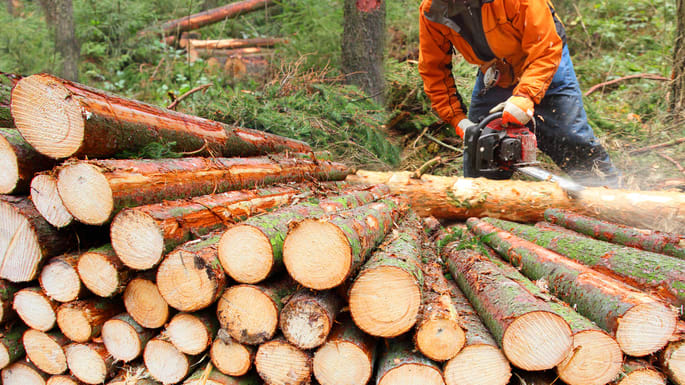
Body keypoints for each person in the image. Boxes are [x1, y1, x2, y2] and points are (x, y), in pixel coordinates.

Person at [418, 0, 620, 187]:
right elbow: (433, 69)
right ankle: (482, 212)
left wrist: (526, 96)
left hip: (545, 59)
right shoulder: (432, 10)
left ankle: (612, 197)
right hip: (497, 71)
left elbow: (546, 48)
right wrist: (457, 119)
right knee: (480, 147)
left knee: (572, 139)